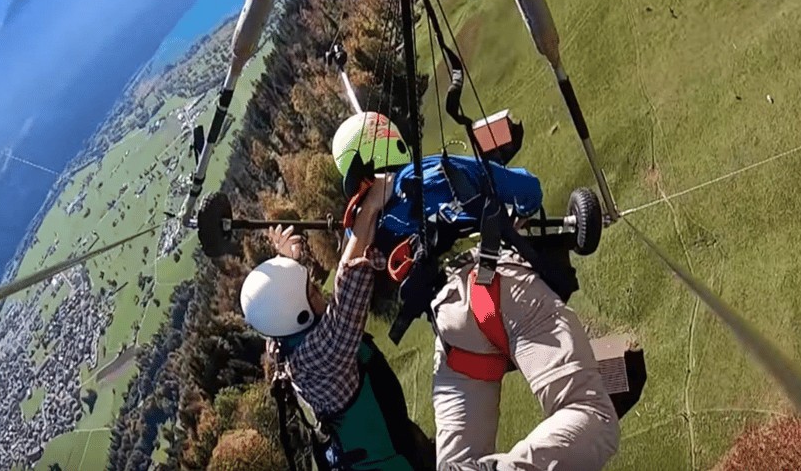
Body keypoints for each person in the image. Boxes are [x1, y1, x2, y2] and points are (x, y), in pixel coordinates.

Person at [331, 112, 620, 471]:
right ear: (394, 140)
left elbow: (346, 287)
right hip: (502, 287)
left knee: (458, 462)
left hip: (454, 329)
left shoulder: (366, 225)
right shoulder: (438, 169)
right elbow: (529, 191)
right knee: (590, 414)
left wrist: (369, 209)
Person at [239, 175, 435, 471]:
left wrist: (289, 264)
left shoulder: (282, 342)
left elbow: (277, 305)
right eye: (312, 291)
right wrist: (370, 207)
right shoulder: (324, 351)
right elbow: (350, 275)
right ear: (300, 313)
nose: (319, 288)